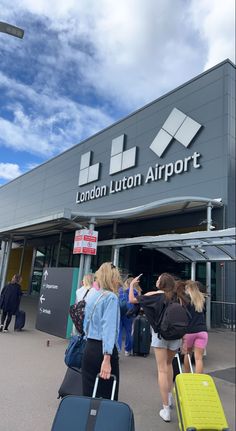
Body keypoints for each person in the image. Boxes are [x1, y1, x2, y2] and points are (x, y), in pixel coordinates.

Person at [129, 272, 183, 423]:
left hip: (160, 336)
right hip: (175, 336)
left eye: (158, 279)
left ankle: (165, 409)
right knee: (169, 364)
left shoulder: (155, 295)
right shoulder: (176, 296)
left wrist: (132, 285)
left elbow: (132, 300)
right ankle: (170, 396)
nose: (156, 280)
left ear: (162, 284)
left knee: (161, 369)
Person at [82, 262, 122, 400]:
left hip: (89, 347)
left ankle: (88, 421)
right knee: (107, 396)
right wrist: (107, 358)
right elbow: (108, 329)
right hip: (103, 350)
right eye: (117, 277)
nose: (118, 281)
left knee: (88, 393)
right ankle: (104, 421)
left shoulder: (92, 293)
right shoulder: (110, 297)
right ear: (111, 278)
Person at [182, 280, 208, 374]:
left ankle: (187, 376)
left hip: (189, 331)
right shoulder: (202, 300)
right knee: (198, 359)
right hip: (202, 331)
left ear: (189, 289)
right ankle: (198, 380)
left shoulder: (186, 301)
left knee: (187, 354)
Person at [118, 276, 141, 356]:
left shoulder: (120, 290)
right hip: (130, 314)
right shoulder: (136, 292)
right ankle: (127, 350)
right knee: (129, 332)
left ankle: (118, 349)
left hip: (120, 312)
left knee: (119, 332)